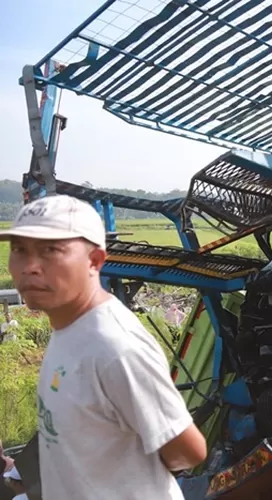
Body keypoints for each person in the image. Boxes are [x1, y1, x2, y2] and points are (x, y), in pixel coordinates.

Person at [1, 195, 207, 500]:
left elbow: (187, 451)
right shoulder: (68, 327)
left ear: (94, 261)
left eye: (51, 251)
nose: (30, 267)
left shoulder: (114, 348)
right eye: (19, 249)